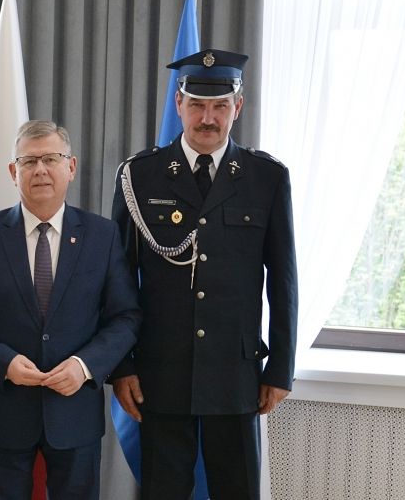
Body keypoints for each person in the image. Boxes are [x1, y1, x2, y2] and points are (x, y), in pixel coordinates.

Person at [110, 48, 298, 500]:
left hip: (235, 375)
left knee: (237, 491)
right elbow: (117, 279)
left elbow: (285, 281)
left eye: (219, 106)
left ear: (238, 106)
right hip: (161, 372)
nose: (207, 118)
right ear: (178, 105)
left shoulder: (266, 177)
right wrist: (122, 365)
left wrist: (281, 370)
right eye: (196, 105)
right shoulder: (140, 176)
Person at [0, 120, 141, 500]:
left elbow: (126, 316)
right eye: (29, 161)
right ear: (13, 171)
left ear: (71, 167)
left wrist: (84, 366)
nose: (40, 170)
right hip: (5, 412)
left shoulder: (102, 236)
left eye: (51, 159)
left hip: (75, 411)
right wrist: (4, 363)